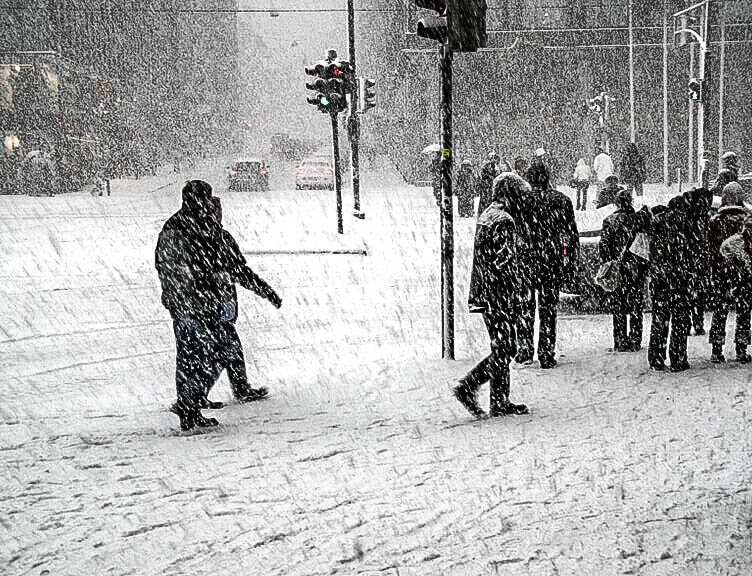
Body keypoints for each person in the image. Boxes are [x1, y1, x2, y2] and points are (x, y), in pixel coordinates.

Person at [453, 172, 529, 418]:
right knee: (506, 347)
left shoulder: (487, 214)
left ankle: (500, 400)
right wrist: (517, 290)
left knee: (501, 344)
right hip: (500, 293)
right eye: (520, 194)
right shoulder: (504, 220)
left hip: (486, 290)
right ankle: (469, 386)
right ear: (511, 193)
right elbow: (505, 262)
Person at [155, 180, 224, 431]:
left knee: (197, 355)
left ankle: (190, 407)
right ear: (197, 199)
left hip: (199, 300)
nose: (209, 202)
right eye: (207, 198)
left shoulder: (197, 224)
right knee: (200, 354)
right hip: (190, 302)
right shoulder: (179, 227)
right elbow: (171, 266)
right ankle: (188, 409)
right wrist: (188, 293)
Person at [203, 197, 282, 408]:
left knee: (227, 347)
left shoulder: (220, 238)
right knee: (223, 348)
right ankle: (195, 396)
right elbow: (241, 272)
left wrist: (266, 291)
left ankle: (232, 389)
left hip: (220, 303)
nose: (217, 214)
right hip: (210, 303)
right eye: (214, 210)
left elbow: (240, 271)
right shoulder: (210, 239)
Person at [516, 163, 579, 369]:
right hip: (550, 262)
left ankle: (525, 350)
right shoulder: (561, 200)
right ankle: (546, 352)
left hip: (525, 261)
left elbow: (513, 233)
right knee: (548, 310)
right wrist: (569, 263)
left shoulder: (520, 201)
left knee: (525, 308)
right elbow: (571, 236)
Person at [647, 188, 712, 371]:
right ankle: (678, 358)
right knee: (680, 318)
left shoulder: (659, 220)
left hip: (660, 276)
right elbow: (698, 251)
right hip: (682, 278)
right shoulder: (690, 222)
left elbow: (648, 248)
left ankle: (656, 358)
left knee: (660, 318)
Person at [599, 189, 649, 351]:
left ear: (616, 203)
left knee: (618, 304)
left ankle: (620, 340)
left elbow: (604, 246)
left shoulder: (610, 220)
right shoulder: (640, 220)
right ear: (631, 201)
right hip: (636, 267)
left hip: (617, 268)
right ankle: (635, 340)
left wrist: (609, 262)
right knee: (635, 303)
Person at [708, 182, 750, 362]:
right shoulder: (746, 221)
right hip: (744, 271)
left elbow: (709, 249)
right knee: (744, 310)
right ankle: (741, 349)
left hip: (721, 272)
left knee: (720, 310)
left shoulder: (715, 221)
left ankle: (717, 349)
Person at [718, 217, 752, 364]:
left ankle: (718, 348)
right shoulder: (734, 242)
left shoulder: (731, 241)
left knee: (722, 314)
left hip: (732, 281)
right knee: (742, 315)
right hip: (738, 282)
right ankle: (739, 349)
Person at [477, 152, 500, 217]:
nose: (494, 160)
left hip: (491, 187)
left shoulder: (496, 167)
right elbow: (483, 176)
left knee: (490, 201)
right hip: (486, 187)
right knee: (485, 202)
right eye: (493, 158)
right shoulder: (485, 166)